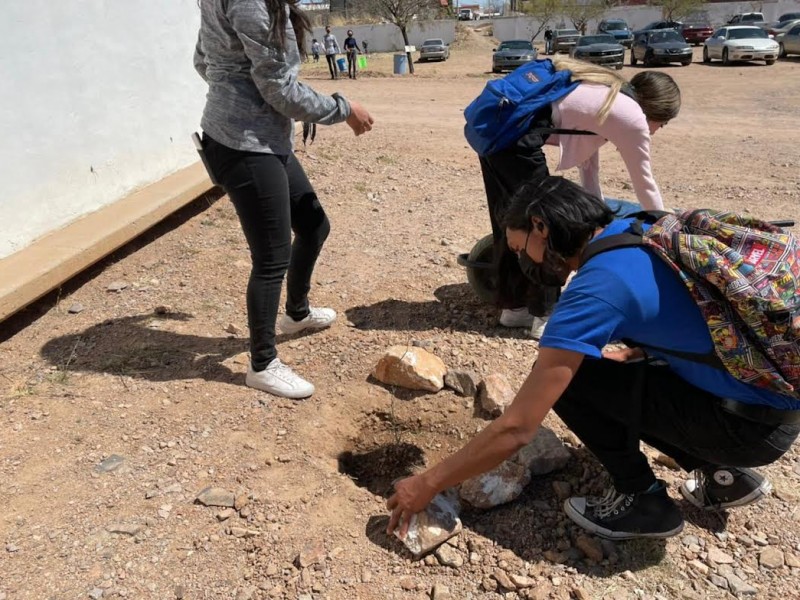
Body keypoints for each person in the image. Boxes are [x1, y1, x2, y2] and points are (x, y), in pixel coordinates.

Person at [387, 176, 800, 541]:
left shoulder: (596, 289)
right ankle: (723, 477)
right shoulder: (639, 225)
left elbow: (516, 429)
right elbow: (686, 306)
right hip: (771, 402)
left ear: (540, 227)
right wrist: (643, 349)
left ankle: (644, 501)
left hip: (745, 431)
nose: (523, 261)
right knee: (621, 369)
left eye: (519, 248)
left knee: (572, 380)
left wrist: (428, 483)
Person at [194, 0, 374, 398]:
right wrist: (343, 109)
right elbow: (278, 87)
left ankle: (297, 313)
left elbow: (203, 61)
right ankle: (262, 364)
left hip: (262, 138)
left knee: (313, 226)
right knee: (272, 256)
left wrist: (236, 92)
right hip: (243, 144)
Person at [479, 56, 680, 338]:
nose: (657, 131)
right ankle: (545, 316)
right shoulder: (632, 117)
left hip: (494, 133)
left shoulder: (608, 94)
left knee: (512, 223)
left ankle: (515, 308)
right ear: (657, 113)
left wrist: (598, 217)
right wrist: (664, 229)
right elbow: (645, 183)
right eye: (664, 124)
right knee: (547, 225)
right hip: (514, 141)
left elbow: (588, 168)